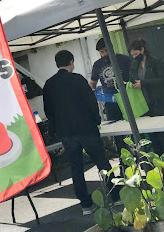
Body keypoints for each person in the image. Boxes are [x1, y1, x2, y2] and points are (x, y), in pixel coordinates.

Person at [43, 50, 120, 216]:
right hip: (86, 128)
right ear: (72, 61)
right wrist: (96, 120)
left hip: (67, 133)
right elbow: (90, 102)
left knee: (76, 168)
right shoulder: (77, 79)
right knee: (102, 163)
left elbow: (49, 111)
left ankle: (86, 205)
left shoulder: (49, 84)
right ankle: (115, 195)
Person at [128, 38, 164, 155]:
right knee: (153, 136)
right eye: (132, 55)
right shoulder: (134, 65)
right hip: (145, 103)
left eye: (136, 54)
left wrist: (144, 83)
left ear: (142, 50)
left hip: (159, 101)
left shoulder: (156, 61)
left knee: (163, 135)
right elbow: (131, 78)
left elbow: (163, 79)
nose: (134, 57)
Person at [89, 37, 131, 121]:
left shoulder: (124, 59)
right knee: (115, 126)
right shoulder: (97, 64)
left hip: (127, 98)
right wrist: (92, 90)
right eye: (102, 52)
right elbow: (92, 82)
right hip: (110, 101)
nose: (105, 54)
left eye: (106, 50)